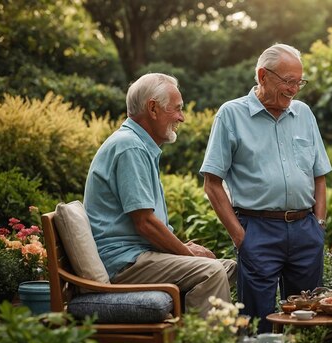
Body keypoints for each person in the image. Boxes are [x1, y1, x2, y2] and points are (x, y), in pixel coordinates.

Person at [200, 43, 332, 332]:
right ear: (262, 76)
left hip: (304, 229)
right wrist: (240, 236)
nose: (294, 89)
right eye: (288, 81)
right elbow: (212, 184)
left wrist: (318, 224)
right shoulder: (231, 115)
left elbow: (319, 176)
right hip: (257, 229)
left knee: (308, 320)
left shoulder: (304, 114)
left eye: (299, 82)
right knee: (257, 319)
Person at [84, 73, 237, 316]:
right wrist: (187, 254)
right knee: (211, 270)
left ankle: (232, 335)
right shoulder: (130, 147)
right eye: (177, 109)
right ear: (153, 109)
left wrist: (184, 251)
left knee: (229, 267)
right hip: (125, 264)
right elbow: (145, 224)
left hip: (137, 255)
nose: (182, 117)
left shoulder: (138, 145)